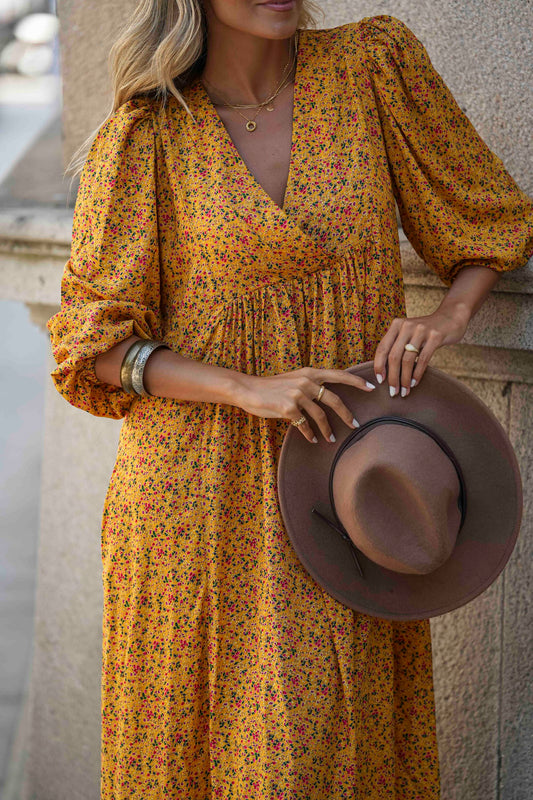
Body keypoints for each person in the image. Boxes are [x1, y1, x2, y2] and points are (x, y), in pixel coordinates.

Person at [46, 1, 533, 798]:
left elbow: (485, 218)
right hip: (193, 501)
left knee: (322, 756)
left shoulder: (370, 68)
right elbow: (90, 345)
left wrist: (446, 314)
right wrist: (246, 389)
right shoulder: (148, 131)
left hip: (344, 482)